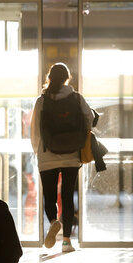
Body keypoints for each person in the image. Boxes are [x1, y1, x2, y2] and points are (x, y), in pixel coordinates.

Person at [30, 63, 93, 252]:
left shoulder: (42, 101)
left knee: (49, 196)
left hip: (47, 154)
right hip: (71, 154)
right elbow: (89, 120)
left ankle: (52, 221)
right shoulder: (76, 98)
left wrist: (38, 151)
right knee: (67, 196)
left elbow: (34, 130)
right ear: (67, 79)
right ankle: (66, 241)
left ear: (49, 78)